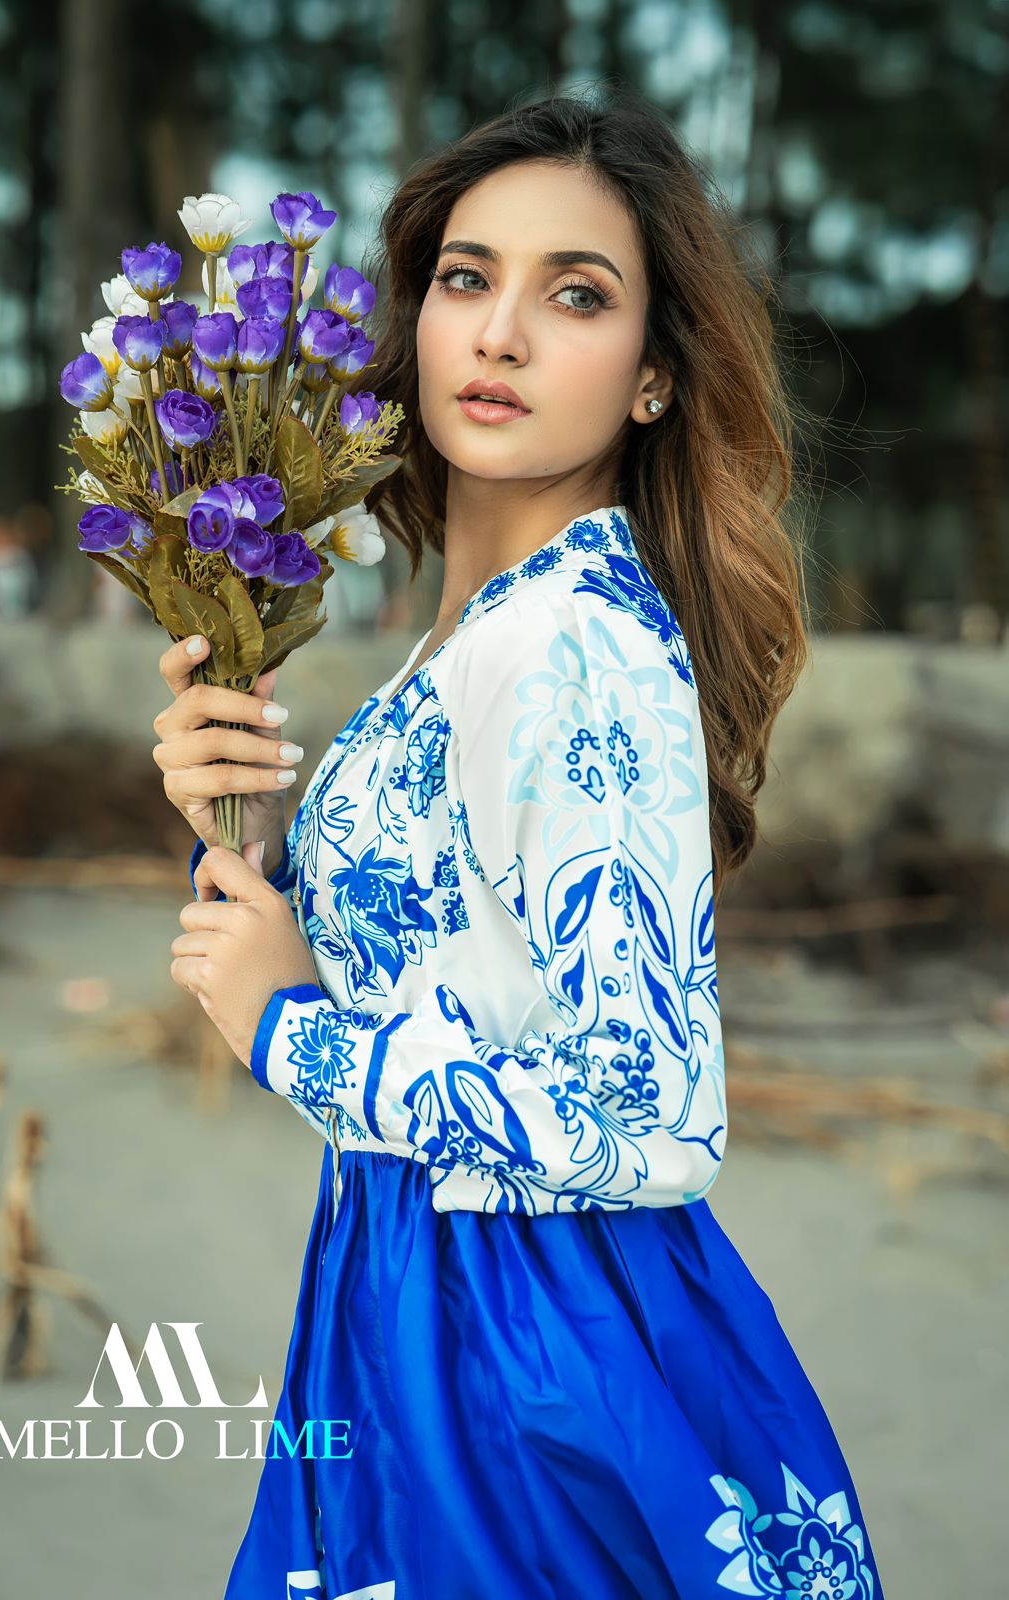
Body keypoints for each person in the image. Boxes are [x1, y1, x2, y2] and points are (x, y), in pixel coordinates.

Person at [155, 91, 886, 1600]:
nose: (497, 333)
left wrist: (295, 1034)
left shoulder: (562, 648)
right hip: (416, 1307)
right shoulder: (477, 636)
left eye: (576, 295)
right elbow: (448, 972)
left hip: (523, 1366)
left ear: (651, 382)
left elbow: (655, 1112)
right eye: (465, 277)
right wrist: (239, 828)